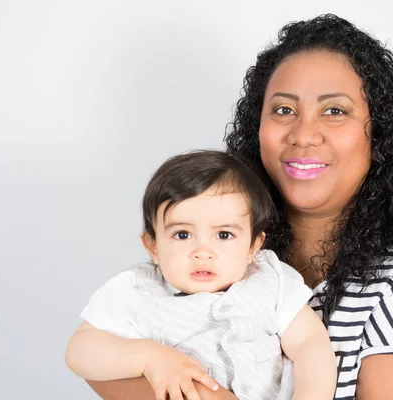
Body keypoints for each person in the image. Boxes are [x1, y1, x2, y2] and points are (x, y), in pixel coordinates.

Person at [86, 13, 393, 400]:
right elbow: (103, 364)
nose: (304, 134)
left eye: (334, 111)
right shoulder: (220, 248)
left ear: (378, 137)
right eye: (283, 110)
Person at [65, 150, 337, 400]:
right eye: (182, 235)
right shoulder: (139, 291)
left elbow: (309, 344)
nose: (203, 252)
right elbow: (80, 350)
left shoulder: (270, 281)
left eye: (224, 235)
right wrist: (148, 357)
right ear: (153, 246)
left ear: (253, 246)